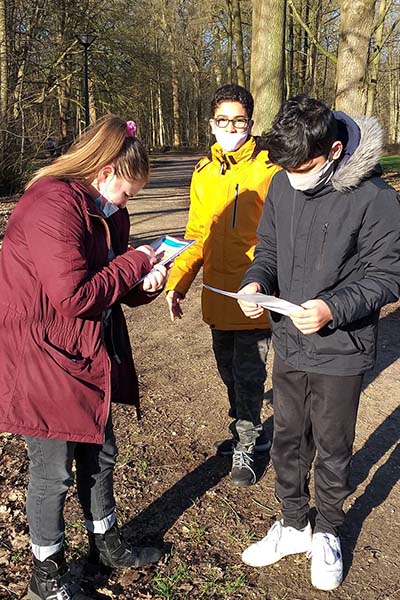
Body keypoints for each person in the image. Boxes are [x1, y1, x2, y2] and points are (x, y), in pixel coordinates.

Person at [0, 115, 168, 600]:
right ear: (104, 171)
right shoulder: (51, 205)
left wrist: (146, 280)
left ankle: (105, 540)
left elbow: (108, 286)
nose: (127, 204)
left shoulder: (108, 211)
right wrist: (135, 262)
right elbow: (73, 296)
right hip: (42, 354)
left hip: (86, 349)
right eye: (128, 193)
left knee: (102, 450)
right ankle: (46, 571)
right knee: (53, 469)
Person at [237, 95, 400, 590]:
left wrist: (333, 307)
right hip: (289, 340)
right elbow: (268, 249)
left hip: (341, 348)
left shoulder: (375, 198)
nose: (293, 177)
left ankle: (327, 529)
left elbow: (388, 275)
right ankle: (292, 525)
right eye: (286, 169)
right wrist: (256, 283)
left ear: (332, 151)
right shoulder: (283, 183)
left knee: (332, 445)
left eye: (302, 167)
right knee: (288, 438)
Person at [165, 84, 280, 487]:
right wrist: (178, 282)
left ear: (251, 123)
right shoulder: (203, 171)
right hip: (216, 295)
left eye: (239, 121)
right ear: (212, 122)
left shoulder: (269, 168)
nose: (231, 127)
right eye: (223, 120)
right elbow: (196, 233)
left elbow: (281, 233)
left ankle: (249, 445)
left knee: (249, 376)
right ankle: (243, 431)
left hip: (253, 296)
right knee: (228, 373)